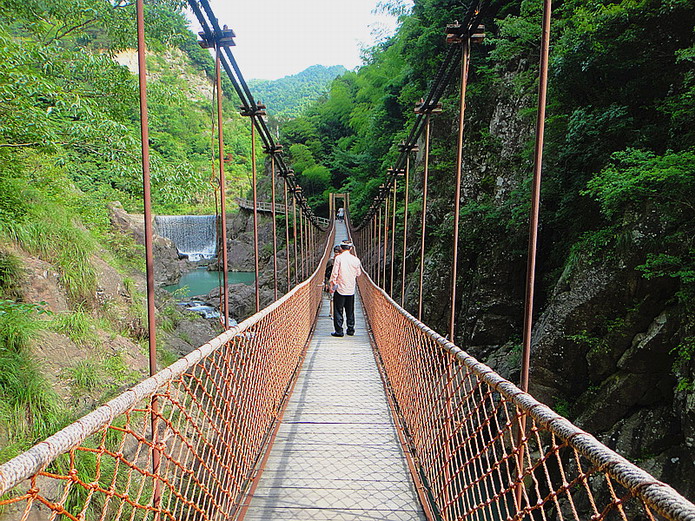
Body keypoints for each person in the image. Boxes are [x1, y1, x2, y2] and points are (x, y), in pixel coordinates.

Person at [328, 242, 362, 337]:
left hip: (340, 288)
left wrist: (332, 285)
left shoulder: (339, 258)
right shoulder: (356, 260)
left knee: (338, 310)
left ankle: (339, 331)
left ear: (341, 249)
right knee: (350, 310)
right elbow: (358, 273)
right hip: (351, 289)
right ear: (350, 248)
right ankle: (350, 329)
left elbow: (334, 273)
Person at [324, 245, 342, 317]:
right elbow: (326, 273)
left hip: (340, 282)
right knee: (332, 298)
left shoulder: (342, 261)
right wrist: (326, 283)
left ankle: (337, 313)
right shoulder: (330, 261)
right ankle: (332, 313)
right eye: (335, 254)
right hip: (332, 282)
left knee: (339, 298)